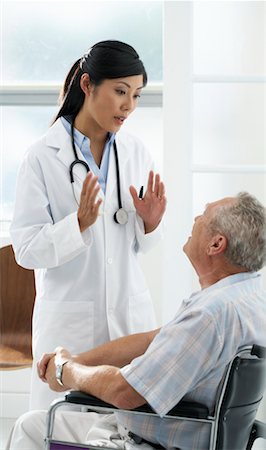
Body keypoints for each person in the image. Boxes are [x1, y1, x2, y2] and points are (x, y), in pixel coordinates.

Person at [6, 192, 266, 450]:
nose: (197, 218)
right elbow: (153, 339)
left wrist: (65, 371)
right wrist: (78, 360)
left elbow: (124, 392)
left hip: (151, 442)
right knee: (32, 424)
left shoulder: (209, 315)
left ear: (216, 244)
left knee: (32, 429)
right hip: (175, 434)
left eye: (204, 215)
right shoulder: (246, 296)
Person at [9, 40, 167, 410]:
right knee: (64, 427)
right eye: (120, 91)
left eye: (137, 95)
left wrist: (151, 224)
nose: (129, 105)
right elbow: (25, 250)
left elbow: (135, 246)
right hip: (70, 326)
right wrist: (76, 226)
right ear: (86, 85)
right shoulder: (41, 158)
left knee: (125, 430)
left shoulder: (136, 151)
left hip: (128, 317)